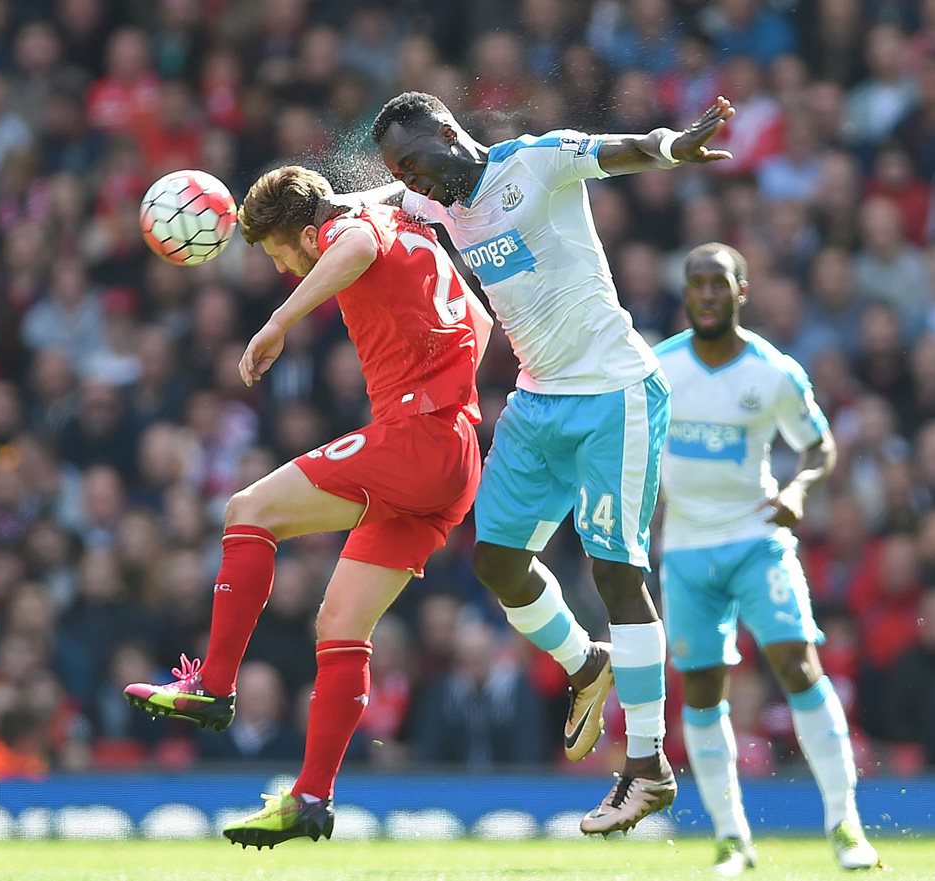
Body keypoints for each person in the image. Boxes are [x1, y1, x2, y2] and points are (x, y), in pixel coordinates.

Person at [357, 91, 735, 833]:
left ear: (447, 132)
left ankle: (648, 767)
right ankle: (588, 663)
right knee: (497, 562)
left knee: (616, 573)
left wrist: (674, 147)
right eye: (401, 172)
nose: (413, 180)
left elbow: (620, 149)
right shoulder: (434, 203)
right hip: (537, 403)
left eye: (415, 162)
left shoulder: (534, 162)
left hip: (614, 394)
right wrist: (301, 208)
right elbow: (366, 203)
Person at [122, 165, 492, 848]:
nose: (283, 269)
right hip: (455, 450)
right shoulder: (402, 223)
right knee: (340, 624)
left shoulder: (350, 231)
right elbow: (482, 322)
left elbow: (351, 246)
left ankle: (214, 685)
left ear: (302, 233)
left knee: (248, 509)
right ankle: (311, 797)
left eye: (278, 253)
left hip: (415, 437)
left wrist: (277, 323)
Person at [654, 243, 879, 874]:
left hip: (756, 538)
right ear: (686, 293)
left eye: (719, 283)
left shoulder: (774, 372)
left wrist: (800, 489)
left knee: (797, 664)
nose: (707, 294)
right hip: (686, 549)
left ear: (741, 292)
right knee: (702, 688)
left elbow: (820, 446)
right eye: (697, 283)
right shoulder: (658, 368)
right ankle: (731, 837)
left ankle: (845, 823)